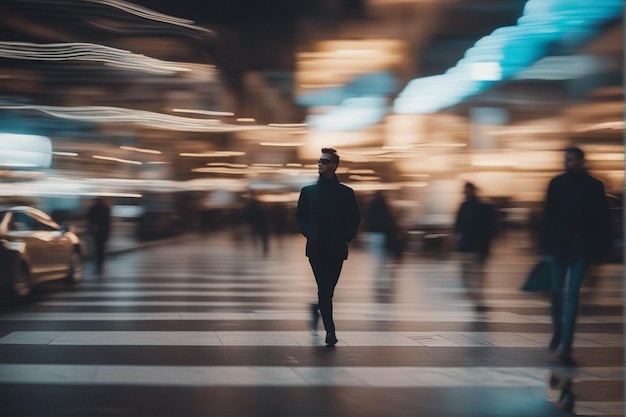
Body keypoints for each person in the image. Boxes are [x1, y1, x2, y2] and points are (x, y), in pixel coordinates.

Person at [540, 146, 612, 366]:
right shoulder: (556, 183)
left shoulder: (594, 186)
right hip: (560, 248)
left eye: (570, 160)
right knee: (555, 294)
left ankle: (567, 348)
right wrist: (544, 246)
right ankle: (559, 330)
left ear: (581, 161)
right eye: (566, 159)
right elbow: (548, 217)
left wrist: (599, 254)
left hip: (581, 249)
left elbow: (602, 221)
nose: (567, 163)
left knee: (571, 298)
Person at [296, 148, 361, 346]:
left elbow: (355, 218)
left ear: (333, 166)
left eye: (324, 161)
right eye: (319, 161)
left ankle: (317, 308)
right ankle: (330, 332)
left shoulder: (346, 193)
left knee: (328, 291)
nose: (320, 164)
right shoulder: (308, 192)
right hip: (316, 249)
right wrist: (309, 233)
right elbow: (301, 216)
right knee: (324, 290)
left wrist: (346, 238)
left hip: (337, 249)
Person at [453, 182, 496, 313]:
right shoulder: (466, 206)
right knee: (470, 275)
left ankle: (478, 300)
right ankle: (477, 299)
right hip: (470, 246)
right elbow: (457, 227)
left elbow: (488, 228)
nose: (464, 193)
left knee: (474, 275)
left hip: (474, 247)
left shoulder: (478, 206)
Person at [365, 191, 396, 284]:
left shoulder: (370, 205)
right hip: (383, 233)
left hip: (372, 233)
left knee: (377, 254)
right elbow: (389, 220)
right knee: (382, 255)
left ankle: (377, 272)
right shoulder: (384, 206)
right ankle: (381, 272)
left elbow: (367, 218)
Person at [86, 197, 111, 274]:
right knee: (101, 246)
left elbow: (89, 218)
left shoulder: (93, 208)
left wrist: (92, 226)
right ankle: (100, 260)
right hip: (104, 231)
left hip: (96, 230)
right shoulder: (106, 208)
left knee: (96, 245)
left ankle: (97, 259)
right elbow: (107, 221)